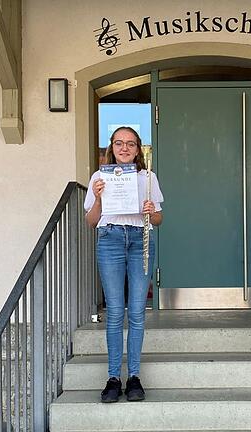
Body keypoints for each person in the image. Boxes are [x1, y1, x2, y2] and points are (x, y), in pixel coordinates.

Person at [84, 126, 164, 403]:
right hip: (110, 239)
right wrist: (97, 197)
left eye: (130, 143)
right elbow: (91, 221)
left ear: (138, 148)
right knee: (116, 311)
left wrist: (152, 211)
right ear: (112, 147)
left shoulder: (148, 177)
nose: (125, 148)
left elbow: (158, 220)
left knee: (138, 312)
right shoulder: (100, 176)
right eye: (119, 143)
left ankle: (134, 377)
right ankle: (113, 378)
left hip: (141, 239)